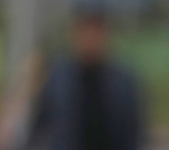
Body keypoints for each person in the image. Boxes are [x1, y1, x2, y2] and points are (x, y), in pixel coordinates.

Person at [26, 8, 145, 150]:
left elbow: (133, 133)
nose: (91, 38)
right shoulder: (58, 79)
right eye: (85, 30)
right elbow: (40, 128)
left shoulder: (123, 82)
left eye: (97, 31)